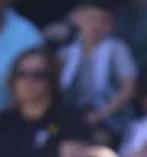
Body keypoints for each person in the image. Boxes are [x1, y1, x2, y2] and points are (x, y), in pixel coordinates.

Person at [57, 2, 138, 141]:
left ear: (112, 25)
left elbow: (129, 88)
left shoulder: (117, 49)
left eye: (104, 21)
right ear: (78, 18)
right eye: (91, 19)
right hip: (74, 116)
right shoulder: (66, 53)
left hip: (110, 120)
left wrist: (100, 115)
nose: (96, 26)